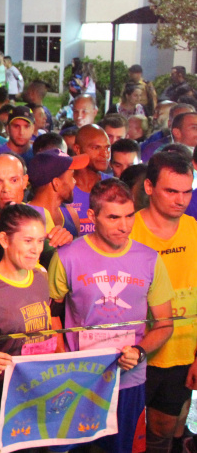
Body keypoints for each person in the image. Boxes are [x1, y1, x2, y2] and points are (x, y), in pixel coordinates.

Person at [48, 179, 174, 453]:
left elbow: (165, 324)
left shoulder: (150, 260)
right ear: (92, 216)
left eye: (129, 215)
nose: (125, 226)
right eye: (114, 217)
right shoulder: (67, 257)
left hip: (128, 381)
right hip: (78, 379)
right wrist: (64, 358)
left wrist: (140, 351)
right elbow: (52, 315)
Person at [0, 204, 55, 453]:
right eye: (27, 240)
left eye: (40, 240)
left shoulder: (41, 274)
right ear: (4, 239)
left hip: (37, 399)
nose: (36, 249)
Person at [128, 152, 197, 453]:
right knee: (127, 434)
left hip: (182, 354)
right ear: (149, 187)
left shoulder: (194, 231)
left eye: (187, 191)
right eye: (171, 191)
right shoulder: (127, 230)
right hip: (132, 355)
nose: (180, 200)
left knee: (163, 433)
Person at [28, 149, 86, 239]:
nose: (75, 181)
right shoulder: (24, 219)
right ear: (56, 184)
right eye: (72, 176)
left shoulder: (71, 214)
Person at [69, 124, 113, 235]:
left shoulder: (114, 187)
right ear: (77, 149)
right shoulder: (62, 188)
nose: (105, 154)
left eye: (107, 147)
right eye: (96, 148)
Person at [0, 106, 35, 179]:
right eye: (16, 126)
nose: (21, 132)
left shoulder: (37, 156)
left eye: (27, 127)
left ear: (33, 128)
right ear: (7, 128)